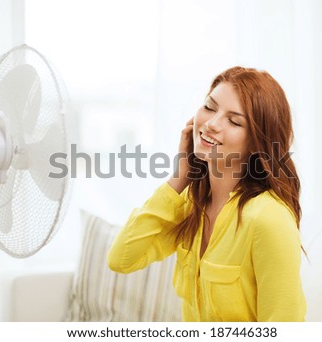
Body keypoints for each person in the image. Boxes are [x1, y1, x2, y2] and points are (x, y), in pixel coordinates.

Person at [107, 66, 306, 322]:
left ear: (258, 143)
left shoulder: (268, 219)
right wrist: (180, 177)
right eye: (210, 108)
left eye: (234, 121)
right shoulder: (191, 204)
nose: (211, 124)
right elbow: (121, 258)